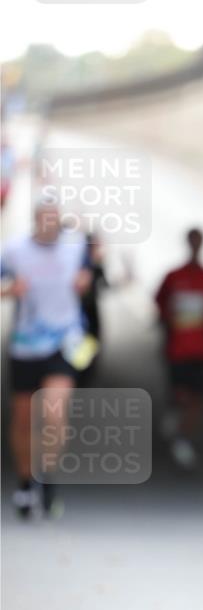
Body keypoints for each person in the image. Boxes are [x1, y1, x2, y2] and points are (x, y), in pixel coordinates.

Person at [1, 198, 92, 518]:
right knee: (23, 419)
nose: (51, 225)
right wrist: (9, 289)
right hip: (25, 344)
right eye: (45, 219)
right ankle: (26, 483)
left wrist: (85, 281)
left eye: (56, 219)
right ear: (36, 220)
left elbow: (90, 269)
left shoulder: (75, 244)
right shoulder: (14, 250)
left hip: (64, 341)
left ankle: (47, 477)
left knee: (54, 412)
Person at [155, 228, 203, 469]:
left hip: (200, 350)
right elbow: (159, 303)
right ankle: (175, 419)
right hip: (176, 349)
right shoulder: (173, 276)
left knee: (197, 397)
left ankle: (184, 439)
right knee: (179, 394)